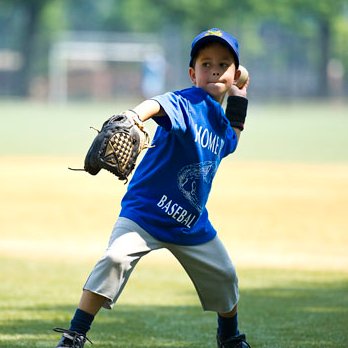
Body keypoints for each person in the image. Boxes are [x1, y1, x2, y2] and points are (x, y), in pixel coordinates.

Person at [54, 27, 251, 348]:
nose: (214, 69)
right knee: (115, 259)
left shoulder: (220, 122)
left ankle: (229, 336)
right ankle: (74, 334)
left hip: (191, 223)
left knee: (225, 277)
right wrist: (133, 117)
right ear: (192, 73)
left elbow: (233, 138)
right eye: (206, 64)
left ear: (233, 72)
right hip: (145, 212)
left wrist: (240, 93)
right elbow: (158, 104)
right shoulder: (188, 100)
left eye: (223, 64)